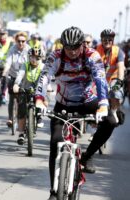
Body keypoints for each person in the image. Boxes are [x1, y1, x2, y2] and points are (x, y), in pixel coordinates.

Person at [34, 26, 116, 200]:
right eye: (67, 47)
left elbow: (100, 79)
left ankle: (87, 156)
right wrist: (39, 99)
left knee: (110, 121)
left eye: (75, 47)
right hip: (64, 104)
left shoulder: (92, 56)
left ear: (82, 45)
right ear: (62, 45)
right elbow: (44, 77)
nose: (71, 51)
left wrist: (103, 104)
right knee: (55, 143)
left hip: (87, 101)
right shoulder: (55, 56)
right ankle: (54, 191)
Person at [12, 46, 44, 145]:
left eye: (37, 58)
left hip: (38, 90)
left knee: (44, 98)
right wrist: (16, 84)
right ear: (29, 57)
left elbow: (46, 78)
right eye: (32, 57)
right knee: (21, 109)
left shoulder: (43, 67)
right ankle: (21, 133)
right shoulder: (25, 65)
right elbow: (20, 75)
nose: (34, 60)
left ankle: (39, 116)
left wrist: (48, 87)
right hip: (24, 89)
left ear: (41, 58)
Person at [96, 29, 125, 124]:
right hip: (99, 78)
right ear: (101, 40)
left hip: (113, 78)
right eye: (105, 40)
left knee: (116, 92)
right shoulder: (96, 49)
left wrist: (119, 81)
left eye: (110, 40)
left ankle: (113, 110)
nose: (107, 42)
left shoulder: (118, 51)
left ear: (113, 40)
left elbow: (121, 67)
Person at [1, 31, 30, 127]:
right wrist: (5, 72)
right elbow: (8, 62)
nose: (21, 43)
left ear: (26, 41)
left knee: (24, 100)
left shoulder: (29, 50)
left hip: (25, 78)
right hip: (13, 76)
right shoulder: (12, 49)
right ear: (16, 41)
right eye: (19, 41)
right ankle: (10, 118)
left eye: (23, 41)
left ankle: (26, 117)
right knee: (12, 98)